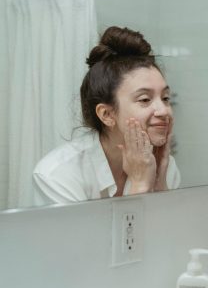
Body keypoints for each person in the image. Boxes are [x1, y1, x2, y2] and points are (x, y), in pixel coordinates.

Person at [33, 26, 180, 205]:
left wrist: (159, 184)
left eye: (165, 98)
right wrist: (140, 186)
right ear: (107, 114)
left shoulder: (164, 165)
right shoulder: (57, 175)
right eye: (144, 99)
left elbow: (168, 232)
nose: (164, 111)